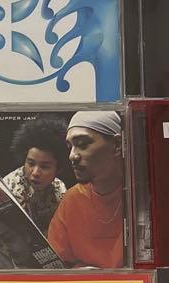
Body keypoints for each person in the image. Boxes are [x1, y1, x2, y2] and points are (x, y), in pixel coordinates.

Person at [45, 110, 126, 269]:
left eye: (82, 144)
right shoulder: (72, 199)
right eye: (70, 147)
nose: (72, 156)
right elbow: (57, 264)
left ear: (117, 145)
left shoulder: (141, 196)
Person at [1, 118, 68, 235]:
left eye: (44, 166)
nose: (35, 172)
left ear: (58, 168)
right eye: (31, 164)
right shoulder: (7, 189)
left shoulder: (60, 189)